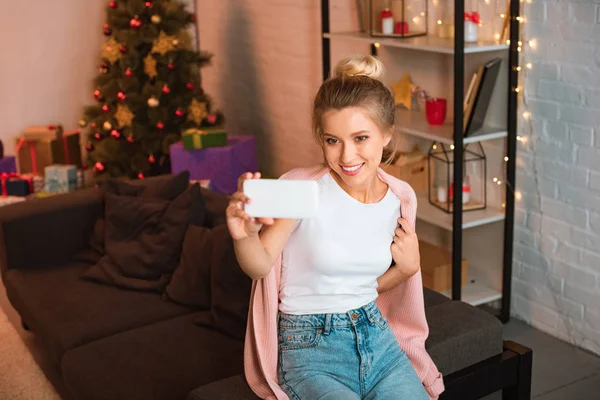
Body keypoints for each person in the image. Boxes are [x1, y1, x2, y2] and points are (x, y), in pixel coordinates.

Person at [226, 54, 444, 400]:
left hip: (377, 340)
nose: (346, 156)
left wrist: (408, 270)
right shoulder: (301, 189)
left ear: (387, 135)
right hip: (311, 351)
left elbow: (362, 287)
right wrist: (245, 236)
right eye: (332, 140)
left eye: (360, 138)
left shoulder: (400, 199)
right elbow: (260, 265)